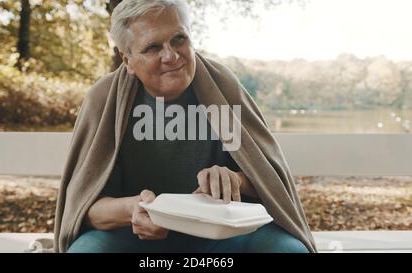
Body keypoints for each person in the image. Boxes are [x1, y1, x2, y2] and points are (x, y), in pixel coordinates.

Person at [54, 0, 316, 253]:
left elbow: (268, 181)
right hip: (131, 236)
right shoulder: (104, 98)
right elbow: (87, 208)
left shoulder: (223, 86)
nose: (171, 56)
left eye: (179, 39)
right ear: (128, 61)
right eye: (153, 47)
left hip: (220, 235)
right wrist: (134, 209)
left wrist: (233, 179)